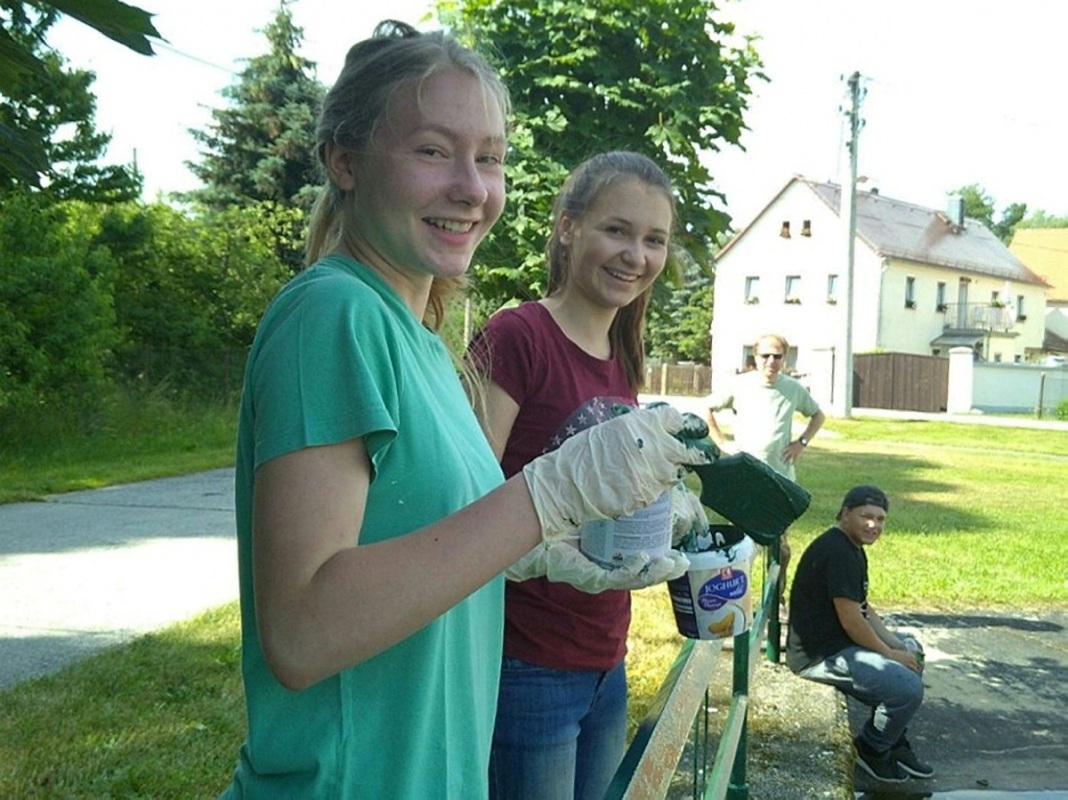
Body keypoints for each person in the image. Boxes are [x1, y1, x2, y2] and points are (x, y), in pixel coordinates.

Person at [219, 23, 705, 799]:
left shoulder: (422, 339)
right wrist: (546, 496)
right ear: (344, 161)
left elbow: (420, 539)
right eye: (433, 151)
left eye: (490, 158)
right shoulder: (334, 313)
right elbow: (303, 633)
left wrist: (538, 548)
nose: (473, 189)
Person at [467, 151, 699, 800]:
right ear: (568, 228)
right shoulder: (517, 336)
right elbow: (464, 503)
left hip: (605, 653)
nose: (636, 255)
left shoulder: (624, 356)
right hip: (525, 661)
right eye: (617, 230)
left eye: (654, 240)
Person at [785, 485, 933, 783]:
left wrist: (899, 646)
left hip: (842, 644)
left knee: (913, 650)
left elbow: (864, 609)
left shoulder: (852, 548)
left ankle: (894, 738)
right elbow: (853, 623)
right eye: (866, 516)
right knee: (908, 690)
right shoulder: (837, 552)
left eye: (880, 519)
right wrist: (890, 654)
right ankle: (872, 748)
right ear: (845, 513)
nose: (874, 525)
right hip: (819, 656)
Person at [705, 332, 825, 611]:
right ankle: (734, 607)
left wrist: (801, 443)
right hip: (746, 480)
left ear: (785, 358)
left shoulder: (793, 388)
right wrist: (722, 442)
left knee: (781, 549)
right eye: (765, 356)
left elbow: (818, 415)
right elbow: (707, 408)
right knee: (742, 550)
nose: (771, 361)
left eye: (777, 356)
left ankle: (774, 602)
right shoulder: (740, 385)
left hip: (780, 479)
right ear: (755, 357)